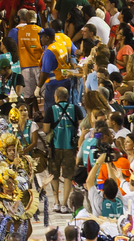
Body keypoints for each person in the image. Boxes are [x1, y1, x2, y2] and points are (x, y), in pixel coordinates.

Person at [47, 84, 83, 213]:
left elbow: (45, 129)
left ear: (56, 97)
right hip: (70, 147)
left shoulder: (51, 110)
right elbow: (81, 126)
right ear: (67, 97)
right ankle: (64, 203)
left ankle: (56, 201)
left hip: (54, 147)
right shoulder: (75, 109)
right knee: (68, 176)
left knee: (54, 175)